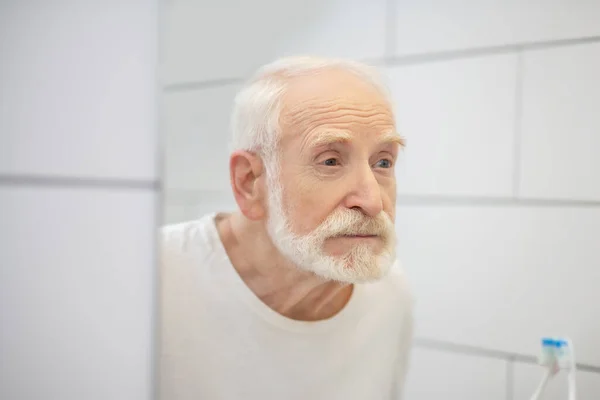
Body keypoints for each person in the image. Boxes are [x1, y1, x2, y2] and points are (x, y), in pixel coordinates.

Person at [159, 56, 414, 399]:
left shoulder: (390, 295)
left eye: (383, 161)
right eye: (330, 161)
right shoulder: (157, 278)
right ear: (250, 182)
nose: (373, 201)